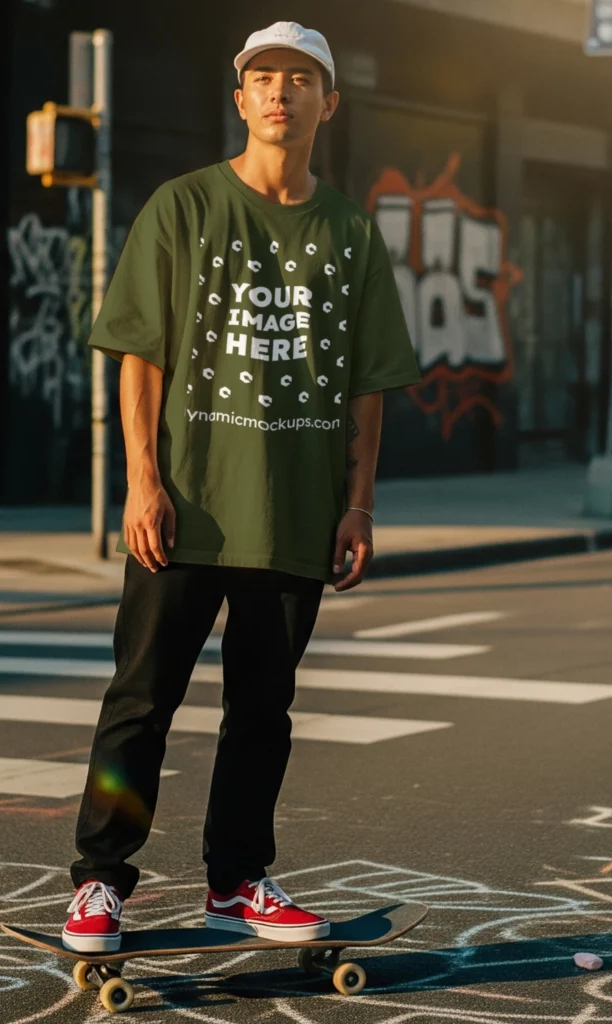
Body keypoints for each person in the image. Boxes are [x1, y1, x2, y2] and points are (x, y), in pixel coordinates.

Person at [62, 20, 419, 953]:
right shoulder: (182, 207)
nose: (279, 91)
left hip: (295, 514)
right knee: (141, 701)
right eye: (263, 77)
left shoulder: (350, 232)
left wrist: (359, 503)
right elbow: (139, 355)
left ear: (328, 103)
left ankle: (237, 883)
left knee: (263, 714)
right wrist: (143, 482)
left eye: (299, 78)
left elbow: (368, 381)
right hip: (185, 509)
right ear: (240, 99)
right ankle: (100, 880)